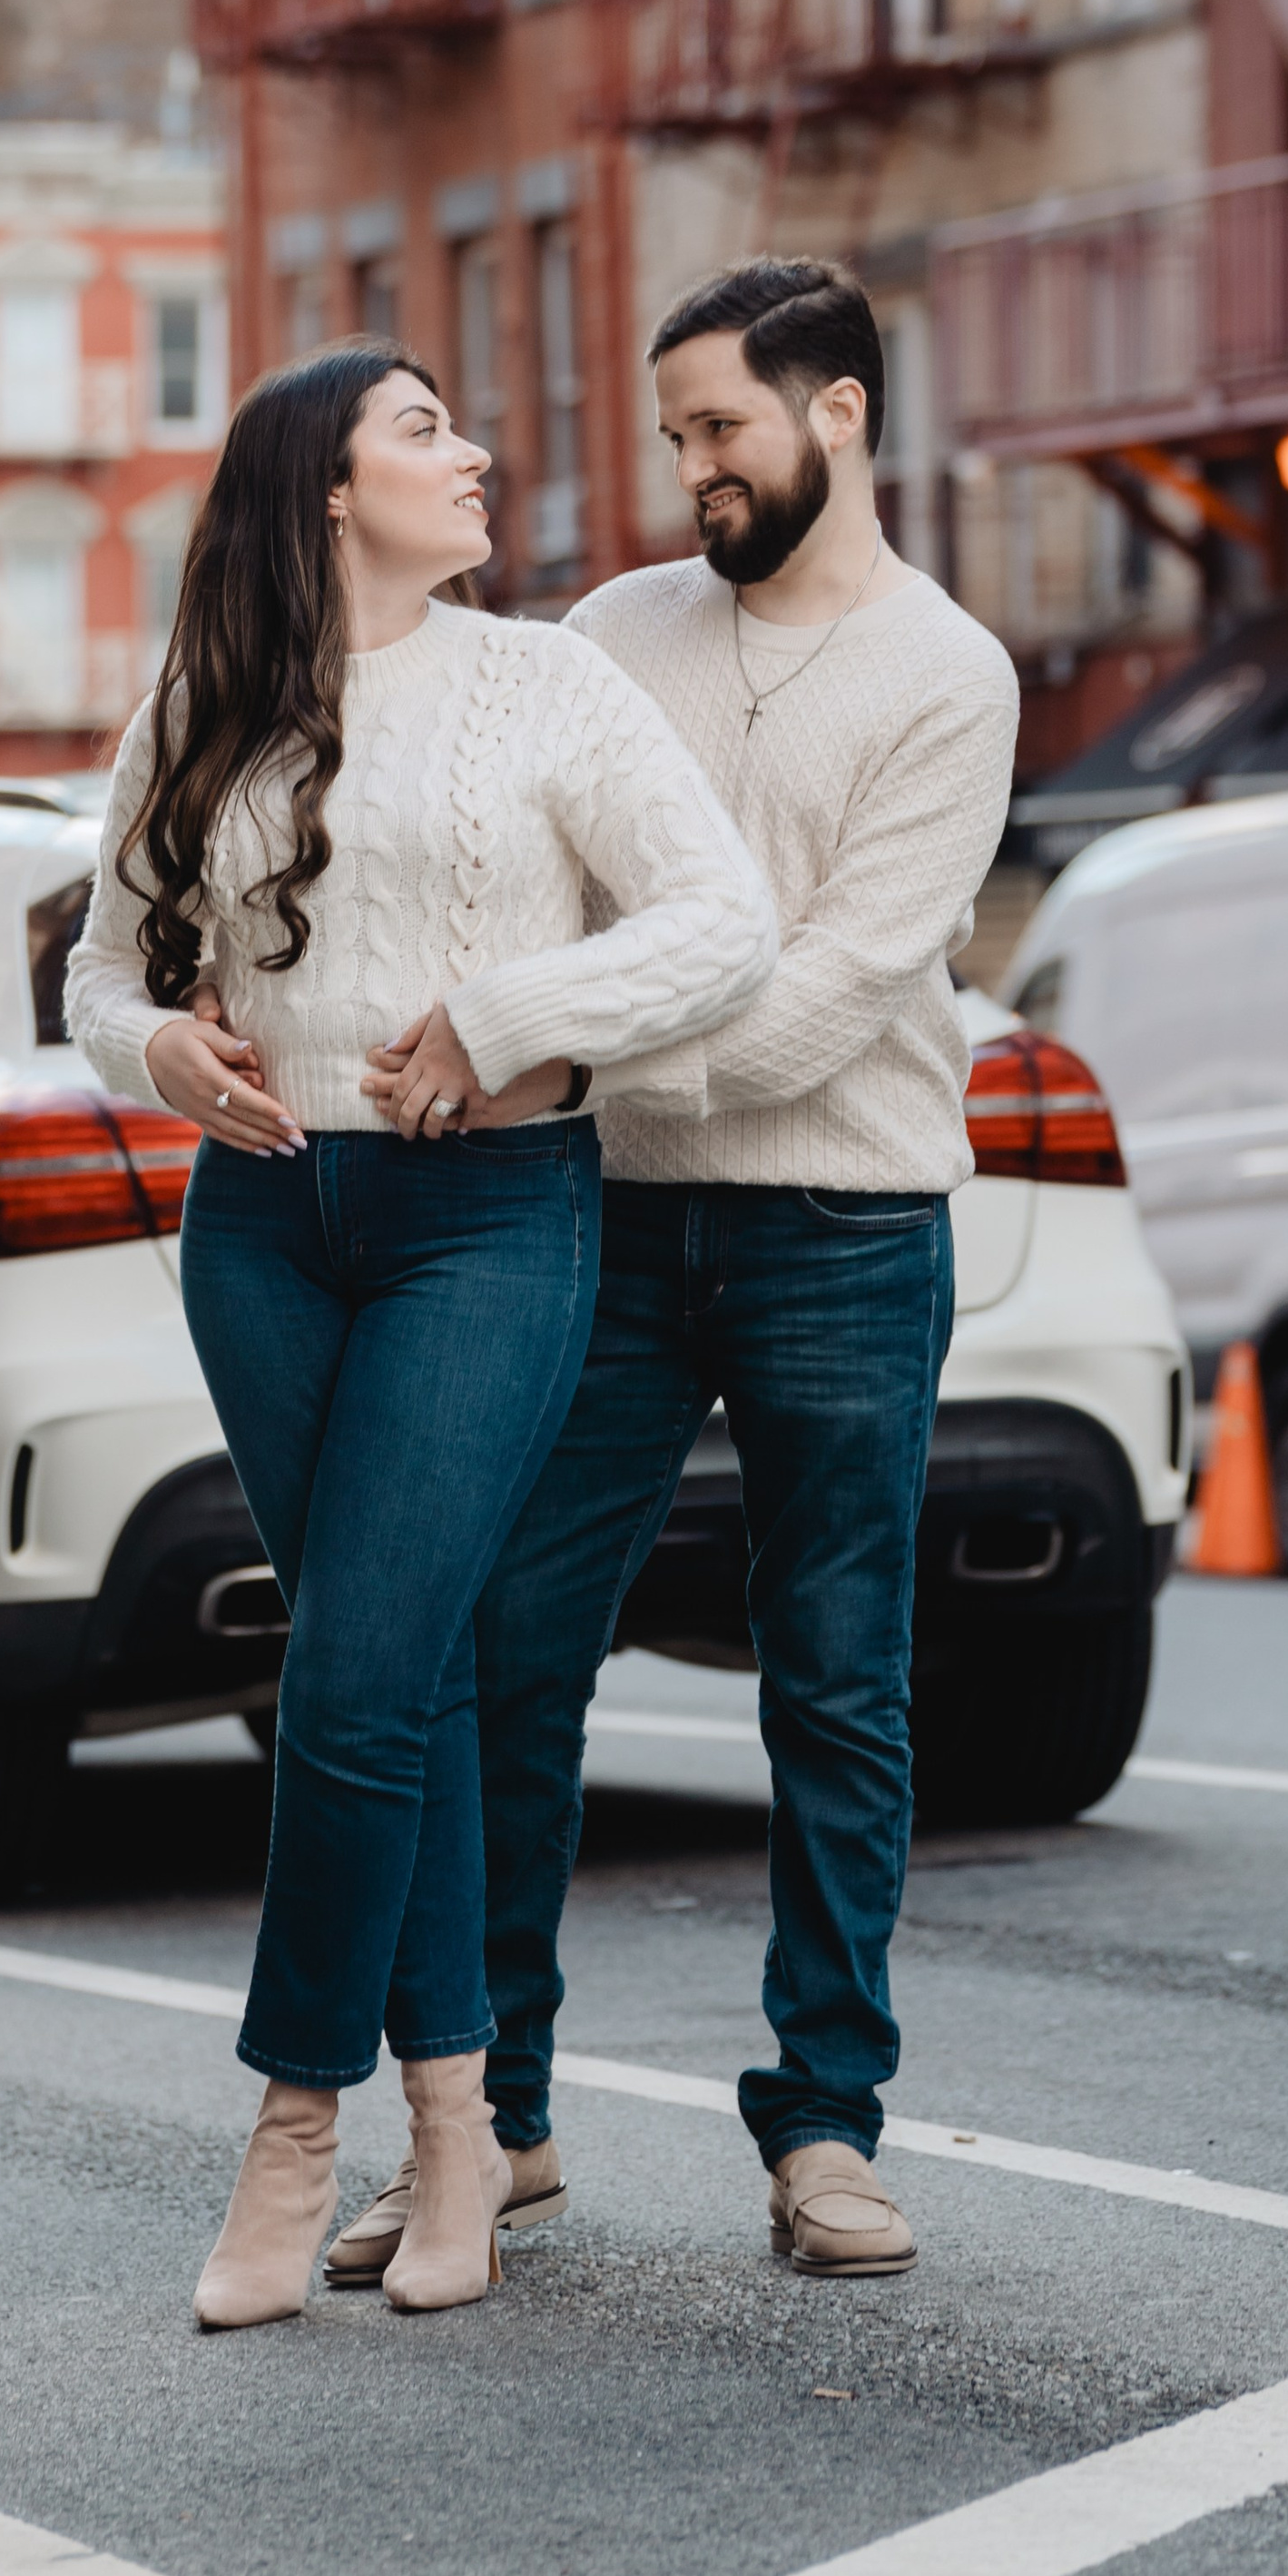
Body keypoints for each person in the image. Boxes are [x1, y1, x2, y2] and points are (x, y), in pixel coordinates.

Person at [65, 341, 775, 2332]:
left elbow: (718, 921)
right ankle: (457, 2127)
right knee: (407, 1676)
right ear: (324, 488)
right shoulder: (199, 704)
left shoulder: (545, 684)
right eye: (423, 431)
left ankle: (293, 2127)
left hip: (489, 1214)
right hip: (262, 1230)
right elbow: (101, 968)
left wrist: (509, 1014)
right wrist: (161, 1051)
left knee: (356, 1677)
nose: (474, 456)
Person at [349, 257, 1018, 2286]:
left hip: (845, 1227)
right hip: (605, 1222)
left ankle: (825, 2127)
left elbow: (826, 1001)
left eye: (720, 428)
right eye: (675, 437)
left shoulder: (949, 677)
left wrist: (562, 1051)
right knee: (510, 1652)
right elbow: (522, 894)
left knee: (836, 1683)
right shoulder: (608, 637)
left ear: (837, 412)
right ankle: (496, 2128)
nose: (692, 470)